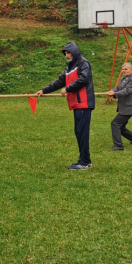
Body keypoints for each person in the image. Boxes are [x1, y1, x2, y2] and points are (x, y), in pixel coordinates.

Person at [35, 41, 95, 170]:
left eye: (69, 52)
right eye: (65, 53)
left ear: (75, 52)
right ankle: (85, 160)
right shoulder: (69, 67)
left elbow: (84, 79)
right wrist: (44, 90)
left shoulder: (83, 63)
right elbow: (59, 81)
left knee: (82, 133)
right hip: (76, 104)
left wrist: (68, 89)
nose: (67, 55)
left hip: (84, 103)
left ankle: (84, 162)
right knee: (79, 133)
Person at [105, 61, 132, 150]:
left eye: (126, 69)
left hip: (129, 106)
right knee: (121, 127)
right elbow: (118, 88)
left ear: (131, 70)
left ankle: (118, 145)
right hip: (124, 106)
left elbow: (127, 90)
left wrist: (115, 94)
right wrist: (112, 91)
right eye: (122, 69)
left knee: (115, 123)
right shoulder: (124, 78)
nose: (124, 71)